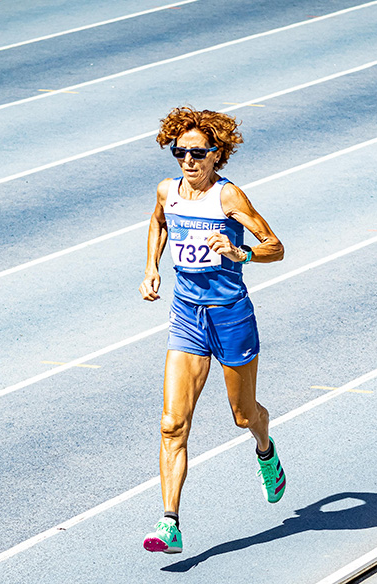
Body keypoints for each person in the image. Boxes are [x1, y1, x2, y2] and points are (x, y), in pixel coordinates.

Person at [139, 107, 285, 554]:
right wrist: (151, 269)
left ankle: (265, 448)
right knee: (171, 424)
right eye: (179, 151)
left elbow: (275, 248)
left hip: (230, 315)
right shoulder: (168, 191)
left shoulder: (229, 198)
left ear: (216, 154)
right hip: (187, 315)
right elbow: (158, 222)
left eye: (198, 153)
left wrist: (241, 255)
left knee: (243, 415)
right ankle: (170, 524)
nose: (188, 160)